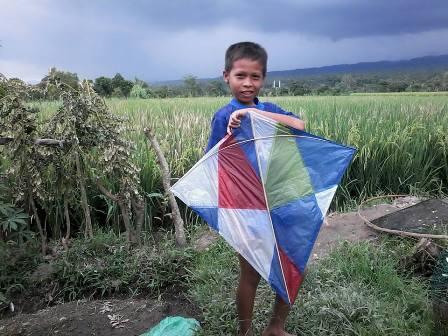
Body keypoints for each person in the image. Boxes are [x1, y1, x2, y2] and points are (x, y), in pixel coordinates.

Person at [205, 41, 305, 336]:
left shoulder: (269, 110)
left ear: (263, 78)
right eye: (240, 76)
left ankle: (276, 326)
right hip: (245, 207)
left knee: (294, 265)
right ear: (226, 76)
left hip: (279, 201)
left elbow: (299, 125)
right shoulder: (224, 117)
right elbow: (213, 163)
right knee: (251, 273)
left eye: (255, 77)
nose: (248, 84)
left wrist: (254, 115)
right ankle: (244, 333)